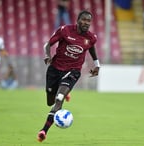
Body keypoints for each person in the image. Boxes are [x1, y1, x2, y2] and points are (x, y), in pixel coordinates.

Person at [37, 10, 100, 142]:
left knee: (59, 99)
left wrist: (97, 64)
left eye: (89, 21)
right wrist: (48, 56)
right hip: (55, 69)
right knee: (50, 101)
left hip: (73, 71)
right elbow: (48, 44)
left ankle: (43, 131)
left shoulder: (91, 37)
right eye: (84, 20)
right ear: (77, 20)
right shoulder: (65, 30)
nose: (86, 23)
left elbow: (91, 48)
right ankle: (63, 91)